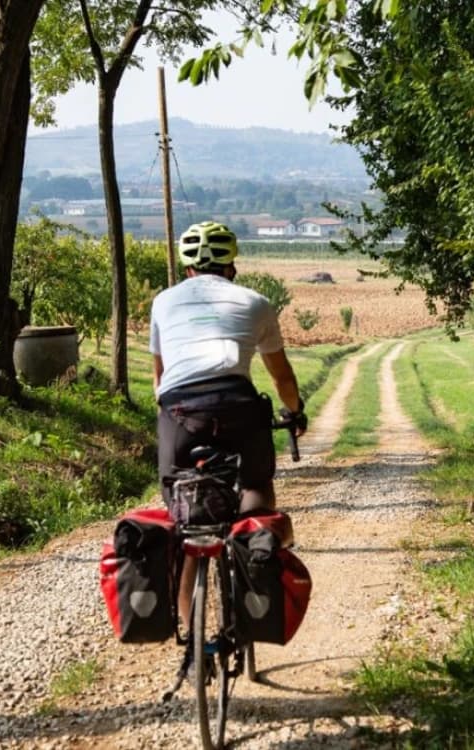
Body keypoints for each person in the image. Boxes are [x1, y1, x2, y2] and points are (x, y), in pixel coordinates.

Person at [149, 220, 307, 629]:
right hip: (238, 408)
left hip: (179, 412)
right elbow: (282, 376)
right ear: (232, 266)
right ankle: (252, 564)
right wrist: (295, 411)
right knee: (255, 489)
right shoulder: (255, 302)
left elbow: (159, 377)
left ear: (187, 270)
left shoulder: (163, 302)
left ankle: (190, 631)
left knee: (181, 514)